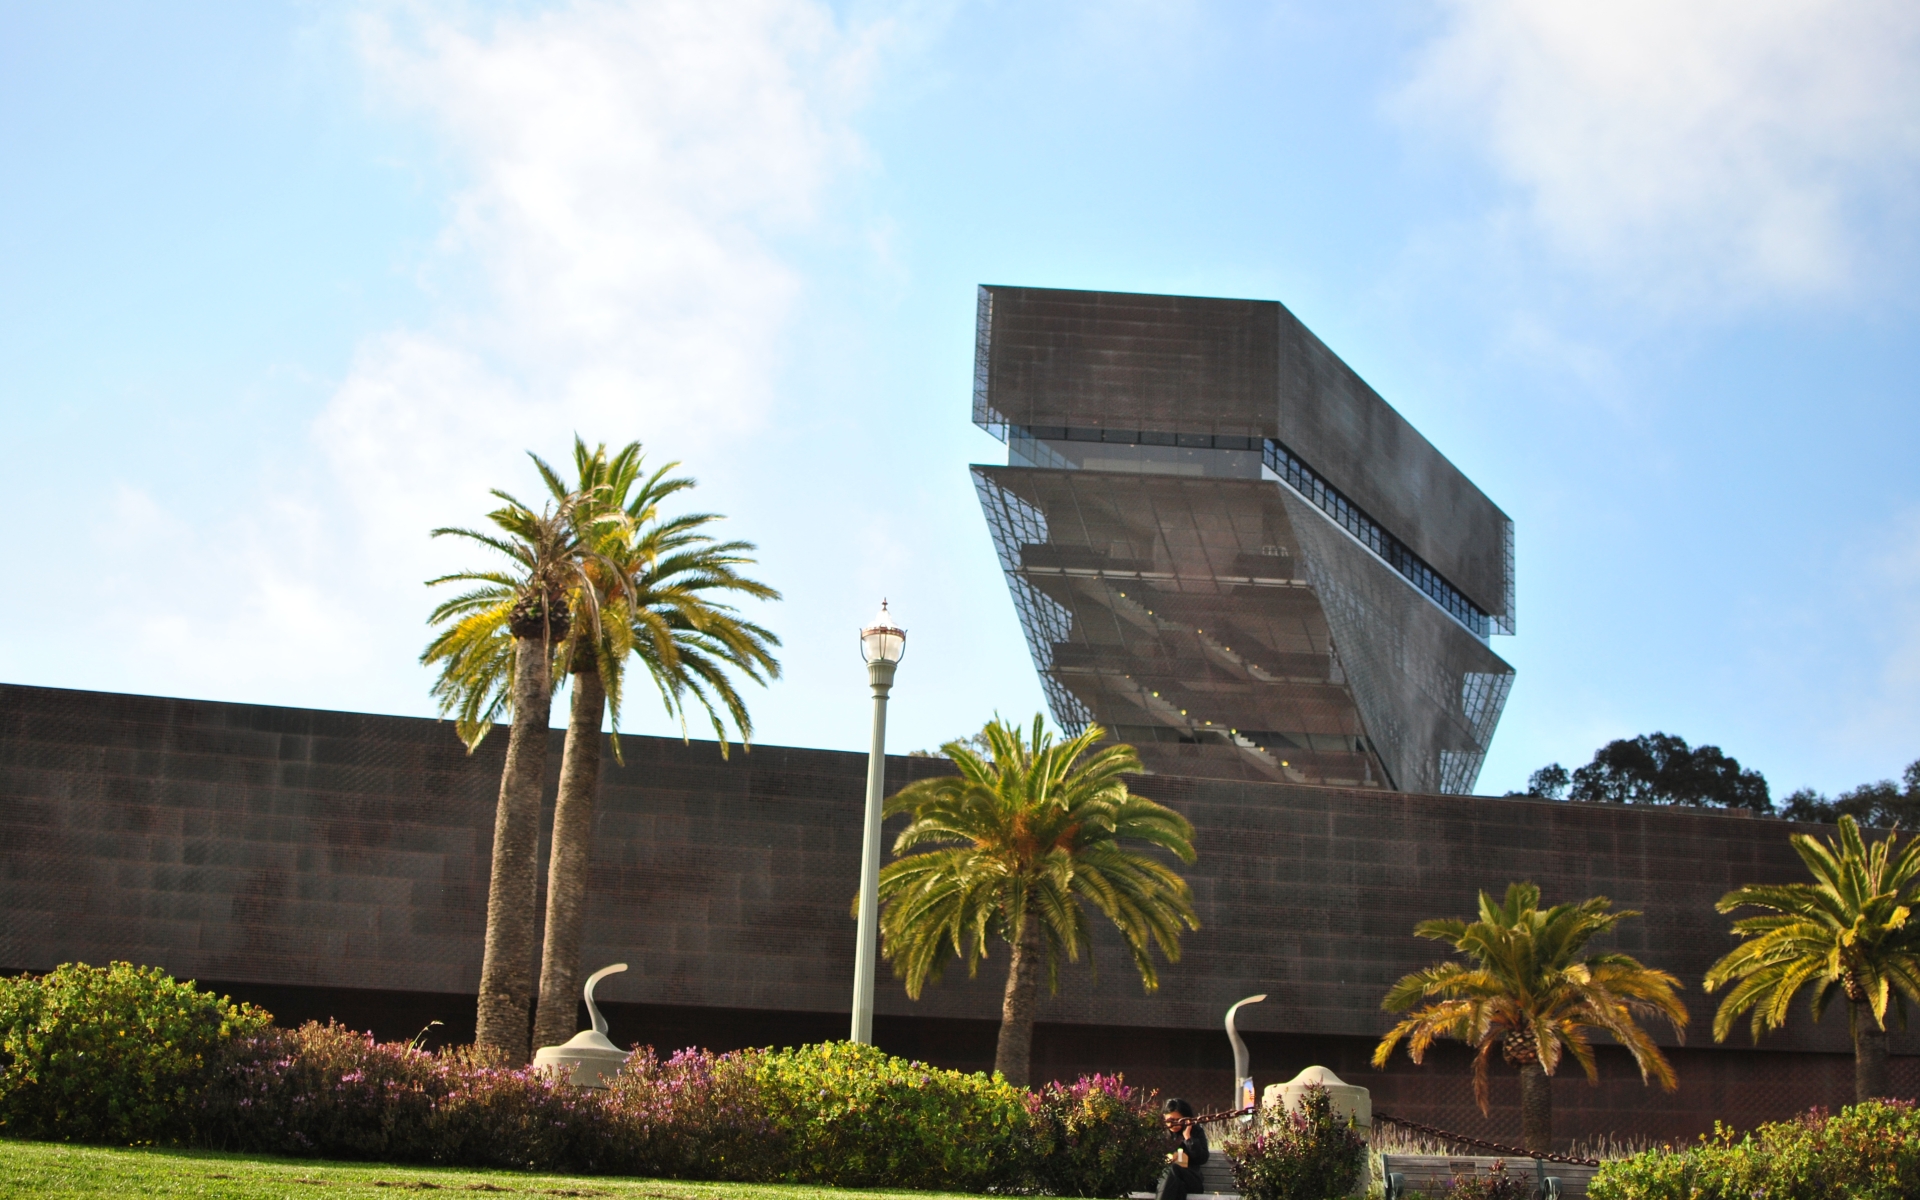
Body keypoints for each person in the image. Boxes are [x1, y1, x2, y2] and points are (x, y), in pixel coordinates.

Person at [1155, 1097, 1209, 1200]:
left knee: (1173, 1169)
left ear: (1186, 1119)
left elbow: (1202, 1158)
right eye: (1169, 1120)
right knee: (1176, 1185)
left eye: (1177, 1120)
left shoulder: (1195, 1131)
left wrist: (1188, 1138)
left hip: (1191, 1180)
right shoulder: (1160, 1133)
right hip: (1163, 1181)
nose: (1173, 1124)